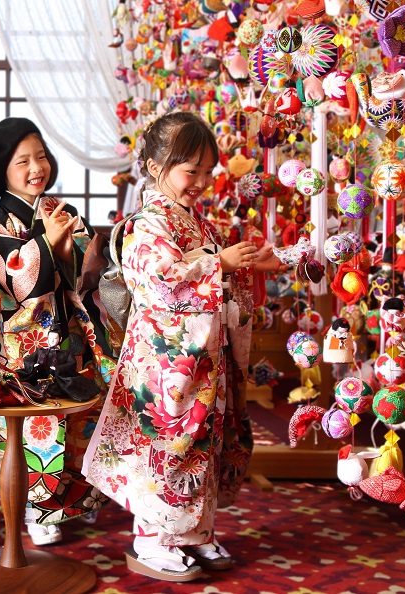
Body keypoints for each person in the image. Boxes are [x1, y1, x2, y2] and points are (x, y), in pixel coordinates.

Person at [82, 111, 285, 582]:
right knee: (169, 444)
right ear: (155, 168)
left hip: (200, 356)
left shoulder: (196, 223)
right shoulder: (145, 223)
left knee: (203, 443)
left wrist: (245, 265)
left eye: (207, 172)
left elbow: (213, 273)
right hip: (164, 363)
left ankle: (195, 532)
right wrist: (219, 265)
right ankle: (152, 538)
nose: (200, 182)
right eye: (190, 170)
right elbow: (160, 283)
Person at [0, 117, 116, 546]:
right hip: (23, 341)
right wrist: (47, 243)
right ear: (2, 171)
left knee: (82, 415)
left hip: (70, 332)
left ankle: (80, 499)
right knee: (37, 423)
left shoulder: (63, 210)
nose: (37, 167)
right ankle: (39, 510)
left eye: (41, 156)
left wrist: (69, 247)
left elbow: (89, 274)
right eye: (23, 161)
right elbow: (16, 281)